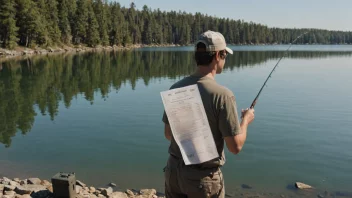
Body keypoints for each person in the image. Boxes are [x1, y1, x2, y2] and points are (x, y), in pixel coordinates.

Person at [162, 30, 255, 198]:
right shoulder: (223, 95)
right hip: (202, 180)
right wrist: (246, 120)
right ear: (218, 55)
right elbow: (235, 147)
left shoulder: (175, 89)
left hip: (173, 172)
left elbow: (169, 134)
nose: (225, 59)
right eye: (225, 54)